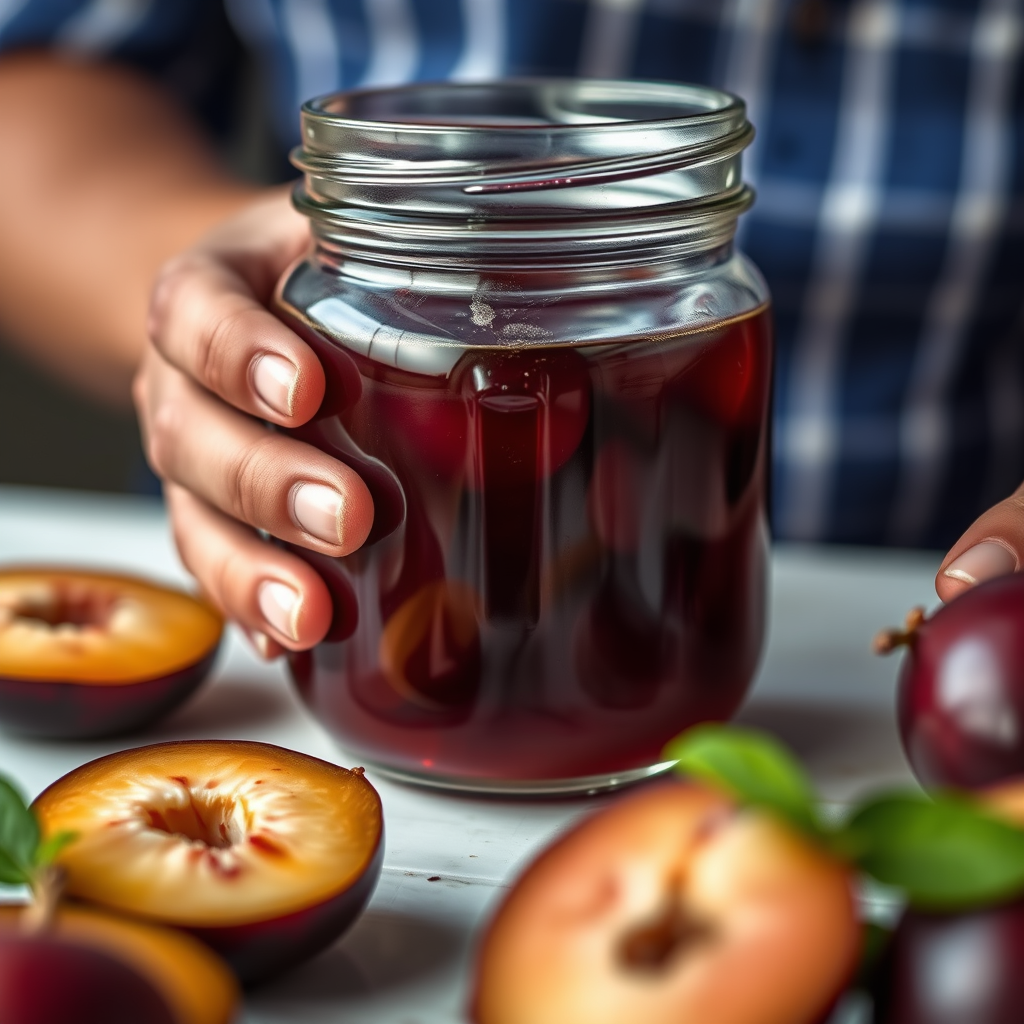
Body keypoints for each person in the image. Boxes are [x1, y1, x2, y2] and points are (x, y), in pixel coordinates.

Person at [0, 0, 1021, 660]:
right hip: (364, 269)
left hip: (946, 614)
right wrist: (200, 301)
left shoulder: (718, 302)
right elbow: (44, 67)